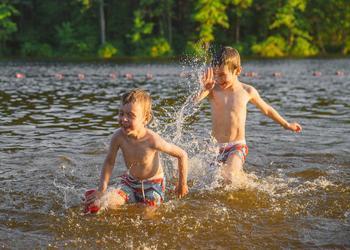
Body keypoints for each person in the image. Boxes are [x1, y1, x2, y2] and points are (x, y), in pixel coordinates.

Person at [194, 47, 302, 184]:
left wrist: (286, 124)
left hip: (236, 146)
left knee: (230, 177)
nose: (218, 79)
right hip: (216, 147)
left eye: (222, 75)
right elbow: (193, 102)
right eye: (215, 74)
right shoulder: (212, 90)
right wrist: (204, 88)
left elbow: (267, 110)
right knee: (213, 181)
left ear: (237, 71)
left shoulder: (247, 91)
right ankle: (245, 180)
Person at [84, 89, 188, 214]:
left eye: (130, 115)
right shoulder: (118, 137)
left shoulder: (153, 140)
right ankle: (93, 203)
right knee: (108, 203)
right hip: (130, 182)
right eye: (121, 113)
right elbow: (109, 162)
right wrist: (101, 190)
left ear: (146, 118)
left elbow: (182, 155)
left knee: (148, 216)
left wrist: (182, 184)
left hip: (153, 185)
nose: (124, 119)